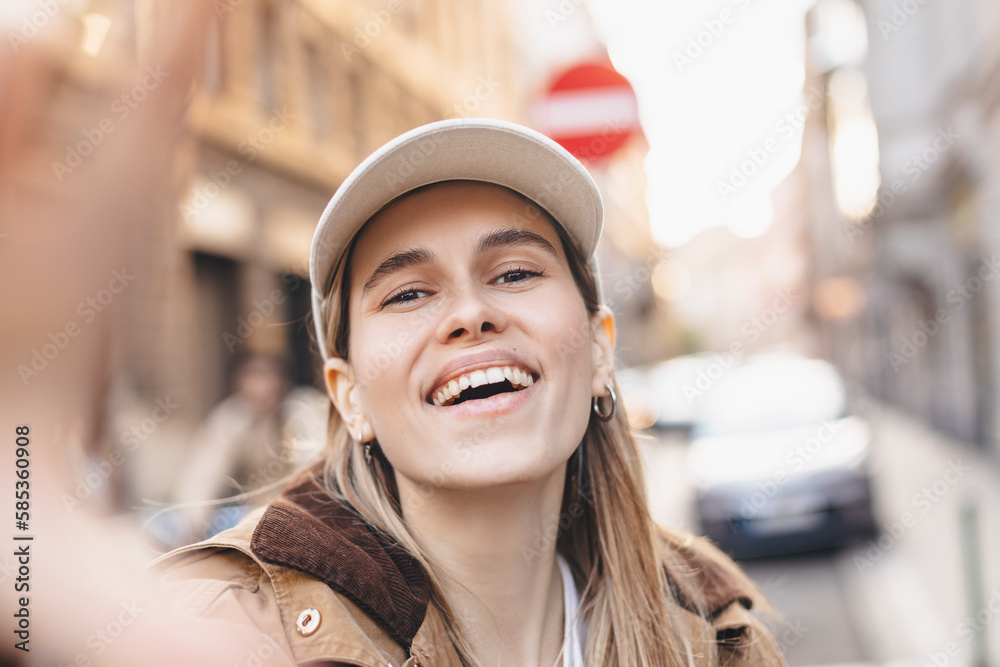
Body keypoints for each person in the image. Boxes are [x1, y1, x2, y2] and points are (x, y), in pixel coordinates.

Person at [155, 118, 787, 667]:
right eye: (407, 293)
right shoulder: (224, 631)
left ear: (599, 352)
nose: (470, 313)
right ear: (350, 398)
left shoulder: (719, 642)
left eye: (514, 273)